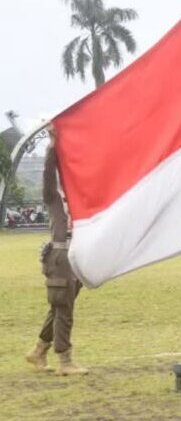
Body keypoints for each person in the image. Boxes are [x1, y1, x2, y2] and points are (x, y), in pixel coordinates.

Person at [25, 125, 88, 376]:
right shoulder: (54, 200)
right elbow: (48, 179)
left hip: (76, 257)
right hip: (61, 257)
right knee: (64, 310)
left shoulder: (81, 200)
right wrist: (52, 148)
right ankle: (65, 361)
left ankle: (39, 350)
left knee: (60, 306)